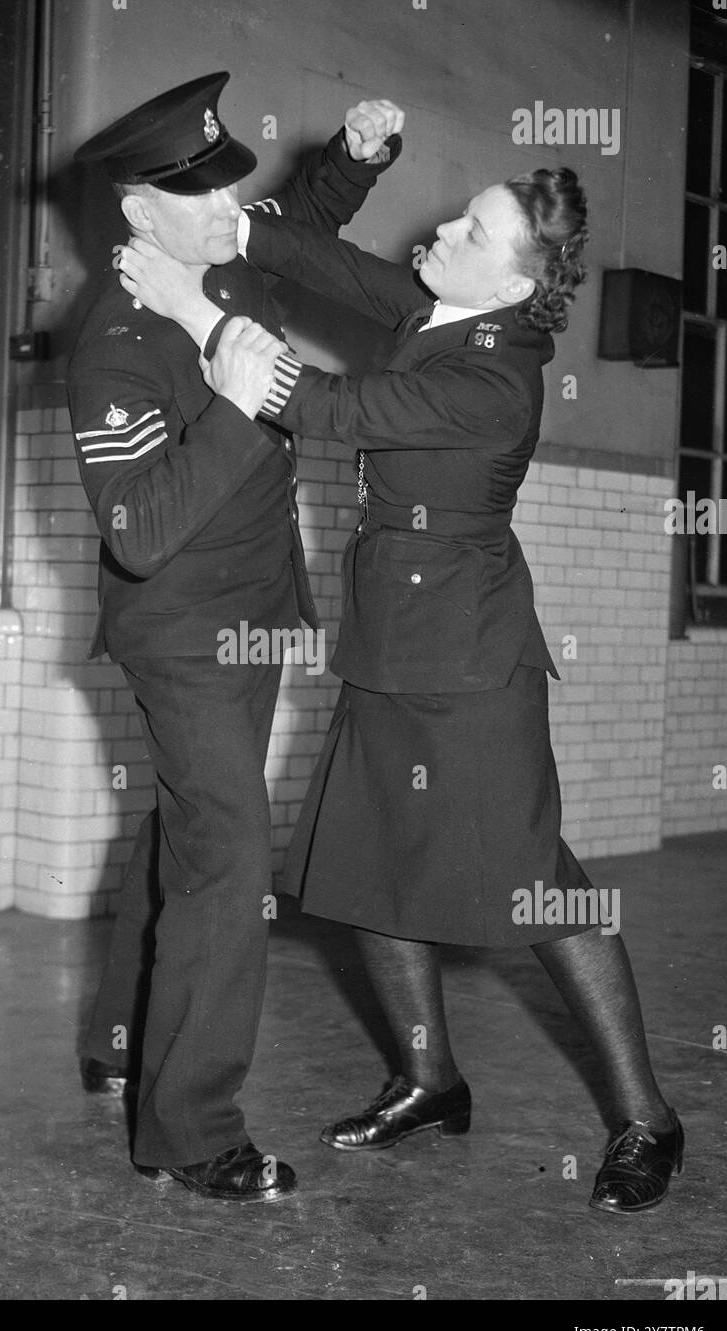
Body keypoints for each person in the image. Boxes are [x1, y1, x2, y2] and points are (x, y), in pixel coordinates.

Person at [117, 165, 684, 1215]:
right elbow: (335, 266)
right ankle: (429, 1079)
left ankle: (646, 1117)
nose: (443, 225)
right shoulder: (442, 307)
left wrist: (189, 303)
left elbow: (324, 404)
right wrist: (234, 226)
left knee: (540, 888)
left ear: (514, 281)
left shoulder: (493, 376)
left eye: (469, 227)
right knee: (369, 865)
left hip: (470, 666)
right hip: (386, 643)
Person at [67, 72, 404, 1202]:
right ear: (135, 210)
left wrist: (350, 162)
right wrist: (226, 395)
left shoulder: (215, 258)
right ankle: (189, 1128)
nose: (229, 209)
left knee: (185, 826)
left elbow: (297, 233)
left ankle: (119, 1037)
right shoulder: (112, 345)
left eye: (228, 186)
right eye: (201, 195)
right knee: (230, 857)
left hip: (257, 612)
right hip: (181, 631)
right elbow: (140, 535)